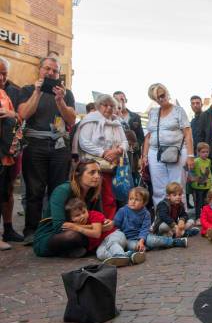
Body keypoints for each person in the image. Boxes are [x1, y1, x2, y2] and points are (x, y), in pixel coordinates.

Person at [18, 56, 76, 240]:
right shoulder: (27, 89)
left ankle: (54, 228)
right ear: (40, 69)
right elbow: (23, 114)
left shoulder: (66, 94)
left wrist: (60, 101)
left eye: (55, 70)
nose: (51, 73)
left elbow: (71, 120)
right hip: (35, 145)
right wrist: (37, 92)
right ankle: (32, 231)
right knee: (34, 190)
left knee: (58, 190)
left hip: (59, 147)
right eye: (47, 69)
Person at [33, 159, 110, 257]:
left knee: (111, 230)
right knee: (72, 236)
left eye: (99, 173)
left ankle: (73, 250)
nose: (97, 176)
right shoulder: (62, 190)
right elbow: (60, 227)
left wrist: (107, 223)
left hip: (83, 231)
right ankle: (70, 250)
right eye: (92, 172)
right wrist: (94, 228)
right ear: (78, 174)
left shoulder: (94, 192)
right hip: (52, 235)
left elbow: (100, 218)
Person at [74, 94, 128, 219]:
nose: (109, 108)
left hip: (112, 165)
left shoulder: (117, 123)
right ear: (99, 106)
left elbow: (125, 142)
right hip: (92, 165)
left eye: (112, 105)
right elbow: (84, 142)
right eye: (105, 105)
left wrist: (118, 150)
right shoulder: (90, 120)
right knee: (92, 195)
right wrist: (103, 153)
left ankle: (108, 222)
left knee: (110, 196)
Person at [141, 83, 195, 206]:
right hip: (155, 153)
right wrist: (144, 156)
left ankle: (180, 218)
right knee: (159, 189)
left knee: (177, 187)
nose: (161, 98)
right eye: (157, 97)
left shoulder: (178, 111)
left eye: (162, 95)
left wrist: (190, 156)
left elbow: (187, 133)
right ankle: (162, 218)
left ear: (167, 93)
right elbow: (148, 135)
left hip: (176, 151)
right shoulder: (153, 112)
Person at [113, 186, 186, 255]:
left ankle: (173, 242)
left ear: (144, 203)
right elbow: (116, 224)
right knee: (133, 246)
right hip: (128, 238)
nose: (133, 202)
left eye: (137, 200)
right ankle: (142, 249)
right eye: (130, 199)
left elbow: (145, 229)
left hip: (144, 236)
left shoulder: (146, 213)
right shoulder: (122, 211)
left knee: (153, 240)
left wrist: (141, 240)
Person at [0, 57, 22, 247]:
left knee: (6, 190)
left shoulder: (11, 92)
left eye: (4, 74)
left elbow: (20, 116)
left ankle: (7, 229)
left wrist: (12, 115)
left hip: (7, 152)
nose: (1, 78)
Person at [113, 91, 145, 180]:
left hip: (131, 155)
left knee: (130, 178)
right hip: (115, 155)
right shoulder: (109, 117)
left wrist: (135, 147)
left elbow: (141, 137)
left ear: (126, 100)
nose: (120, 101)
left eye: (122, 99)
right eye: (117, 99)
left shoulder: (135, 117)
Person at [191, 142, 212, 223]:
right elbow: (190, 170)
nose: (205, 154)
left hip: (207, 186)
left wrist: (211, 184)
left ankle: (205, 217)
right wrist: (194, 179)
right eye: (203, 152)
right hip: (198, 187)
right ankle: (198, 218)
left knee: (206, 203)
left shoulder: (209, 161)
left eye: (207, 152)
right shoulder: (196, 161)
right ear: (198, 152)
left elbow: (209, 172)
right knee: (198, 203)